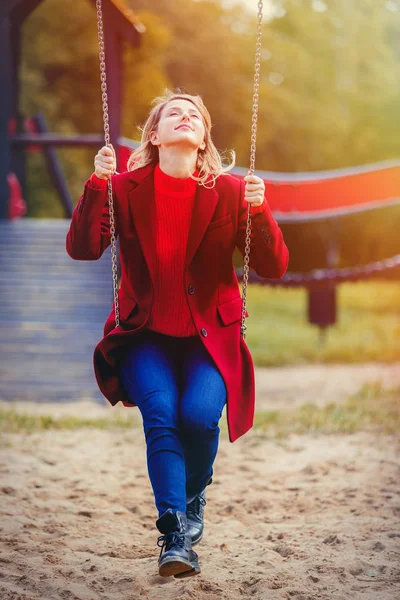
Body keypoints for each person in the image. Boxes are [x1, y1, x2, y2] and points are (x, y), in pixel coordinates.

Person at [66, 90, 289, 579]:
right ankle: (174, 535)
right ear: (155, 134)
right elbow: (84, 248)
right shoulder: (123, 188)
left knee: (199, 417)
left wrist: (260, 210)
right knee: (161, 413)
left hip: (209, 336)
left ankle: (192, 494)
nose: (185, 118)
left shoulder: (230, 191)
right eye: (174, 114)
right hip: (145, 334)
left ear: (204, 135)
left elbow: (274, 266)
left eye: (194, 116)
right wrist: (96, 183)